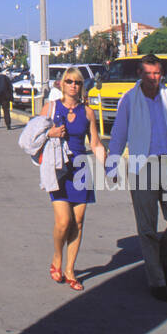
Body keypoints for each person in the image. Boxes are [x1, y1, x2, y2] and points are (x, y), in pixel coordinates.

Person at [106, 53, 167, 302]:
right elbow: (119, 133)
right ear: (139, 74)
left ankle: (162, 261)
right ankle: (157, 281)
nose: (153, 78)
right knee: (147, 229)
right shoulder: (130, 100)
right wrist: (112, 166)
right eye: (148, 73)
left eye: (157, 73)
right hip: (142, 168)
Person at [44, 68, 105, 290]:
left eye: (77, 82)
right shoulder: (50, 109)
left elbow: (96, 143)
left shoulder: (88, 113)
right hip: (59, 169)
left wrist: (108, 166)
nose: (73, 86)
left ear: (81, 86)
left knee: (78, 222)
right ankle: (57, 257)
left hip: (80, 170)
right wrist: (49, 134)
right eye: (69, 81)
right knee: (63, 221)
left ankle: (70, 269)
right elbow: (34, 135)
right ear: (61, 84)